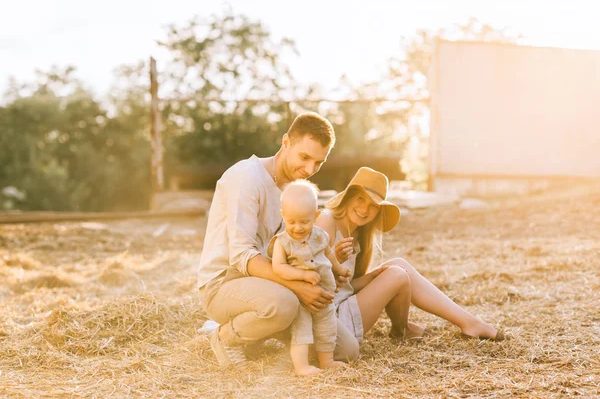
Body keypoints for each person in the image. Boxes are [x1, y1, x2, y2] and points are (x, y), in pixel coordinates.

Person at [198, 112, 353, 369]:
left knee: (345, 349)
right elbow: (241, 256)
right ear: (285, 143)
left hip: (272, 284)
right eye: (304, 157)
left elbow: (291, 251)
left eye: (318, 163)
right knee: (284, 304)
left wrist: (323, 268)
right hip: (224, 284)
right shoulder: (247, 177)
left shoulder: (295, 194)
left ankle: (256, 330)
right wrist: (298, 287)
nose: (309, 169)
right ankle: (225, 336)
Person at [315, 167, 505, 350]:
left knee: (398, 265)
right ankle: (403, 329)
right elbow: (313, 275)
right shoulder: (327, 220)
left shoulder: (360, 233)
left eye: (373, 206)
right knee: (397, 274)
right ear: (347, 197)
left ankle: (469, 323)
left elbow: (346, 286)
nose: (365, 209)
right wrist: (336, 260)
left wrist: (373, 276)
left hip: (342, 304)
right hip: (331, 318)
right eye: (360, 199)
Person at [268, 180, 350, 375]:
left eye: (304, 221)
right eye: (292, 221)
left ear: (316, 216)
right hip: (300, 299)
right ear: (283, 217)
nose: (297, 227)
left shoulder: (320, 235)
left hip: (325, 295)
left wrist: (339, 269)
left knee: (327, 329)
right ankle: (301, 366)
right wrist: (302, 274)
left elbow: (329, 255)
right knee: (302, 332)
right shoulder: (282, 242)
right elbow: (278, 267)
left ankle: (326, 361)